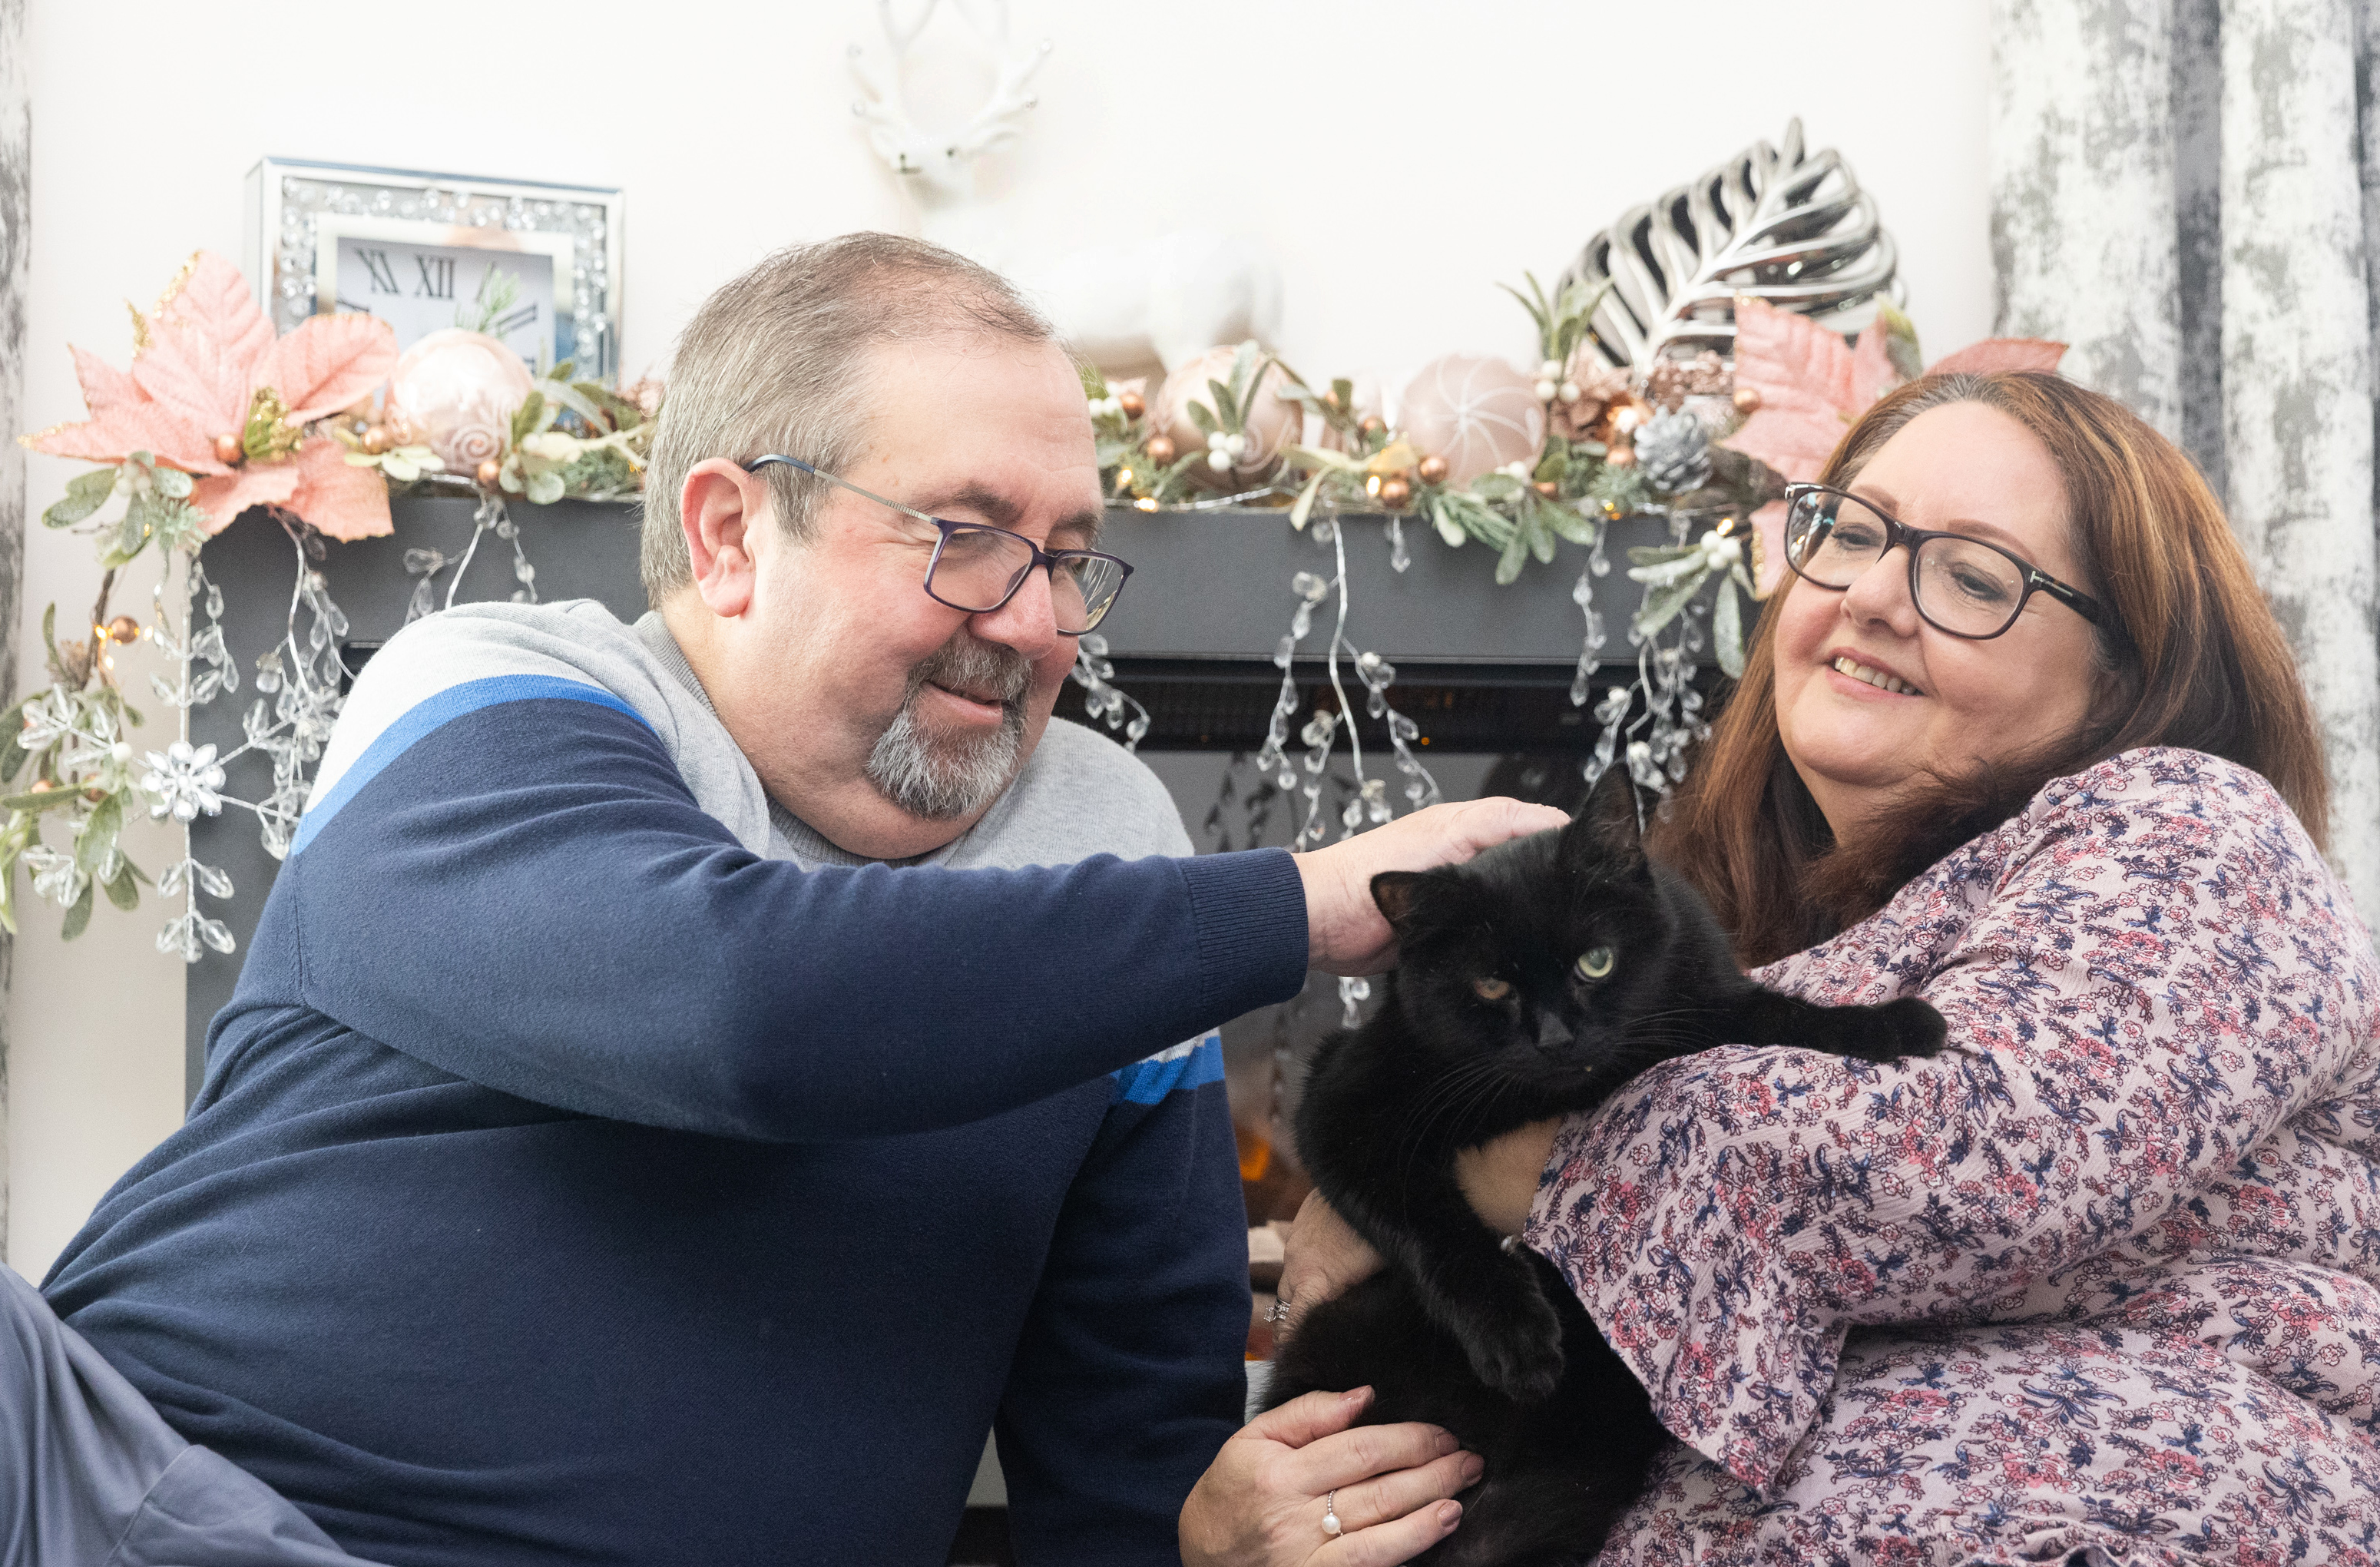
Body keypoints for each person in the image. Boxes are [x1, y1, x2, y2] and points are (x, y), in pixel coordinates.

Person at [13, 234, 1564, 1566]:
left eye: (1069, 560)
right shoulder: (506, 690)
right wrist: (1307, 899)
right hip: (134, 1496)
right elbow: (738, 1009)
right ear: (728, 532)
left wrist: (1221, 1526)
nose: (1032, 624)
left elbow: (1121, 1440)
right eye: (965, 541)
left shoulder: (1109, 834)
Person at [1185, 371, 2380, 1564]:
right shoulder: (1702, 946)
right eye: (1850, 534)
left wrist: (1445, 1179)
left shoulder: (2186, 826)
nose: (1870, 595)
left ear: (2128, 672)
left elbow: (1978, 1153)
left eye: (1970, 574)